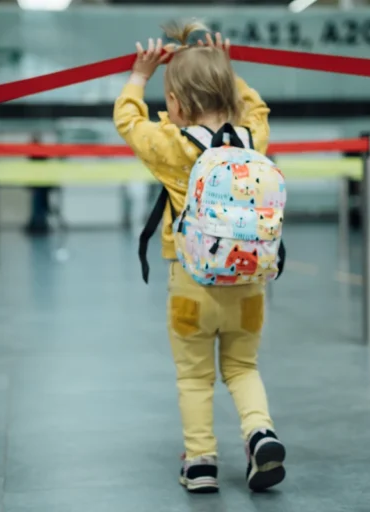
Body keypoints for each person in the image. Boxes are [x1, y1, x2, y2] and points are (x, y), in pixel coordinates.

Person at [113, 24, 285, 494]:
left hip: (191, 281)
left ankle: (200, 463)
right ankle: (260, 433)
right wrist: (227, 68)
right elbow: (257, 108)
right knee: (243, 368)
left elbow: (127, 121)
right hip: (249, 281)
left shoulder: (172, 146)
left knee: (194, 376)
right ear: (229, 92)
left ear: (175, 103)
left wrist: (139, 76)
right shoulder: (252, 138)